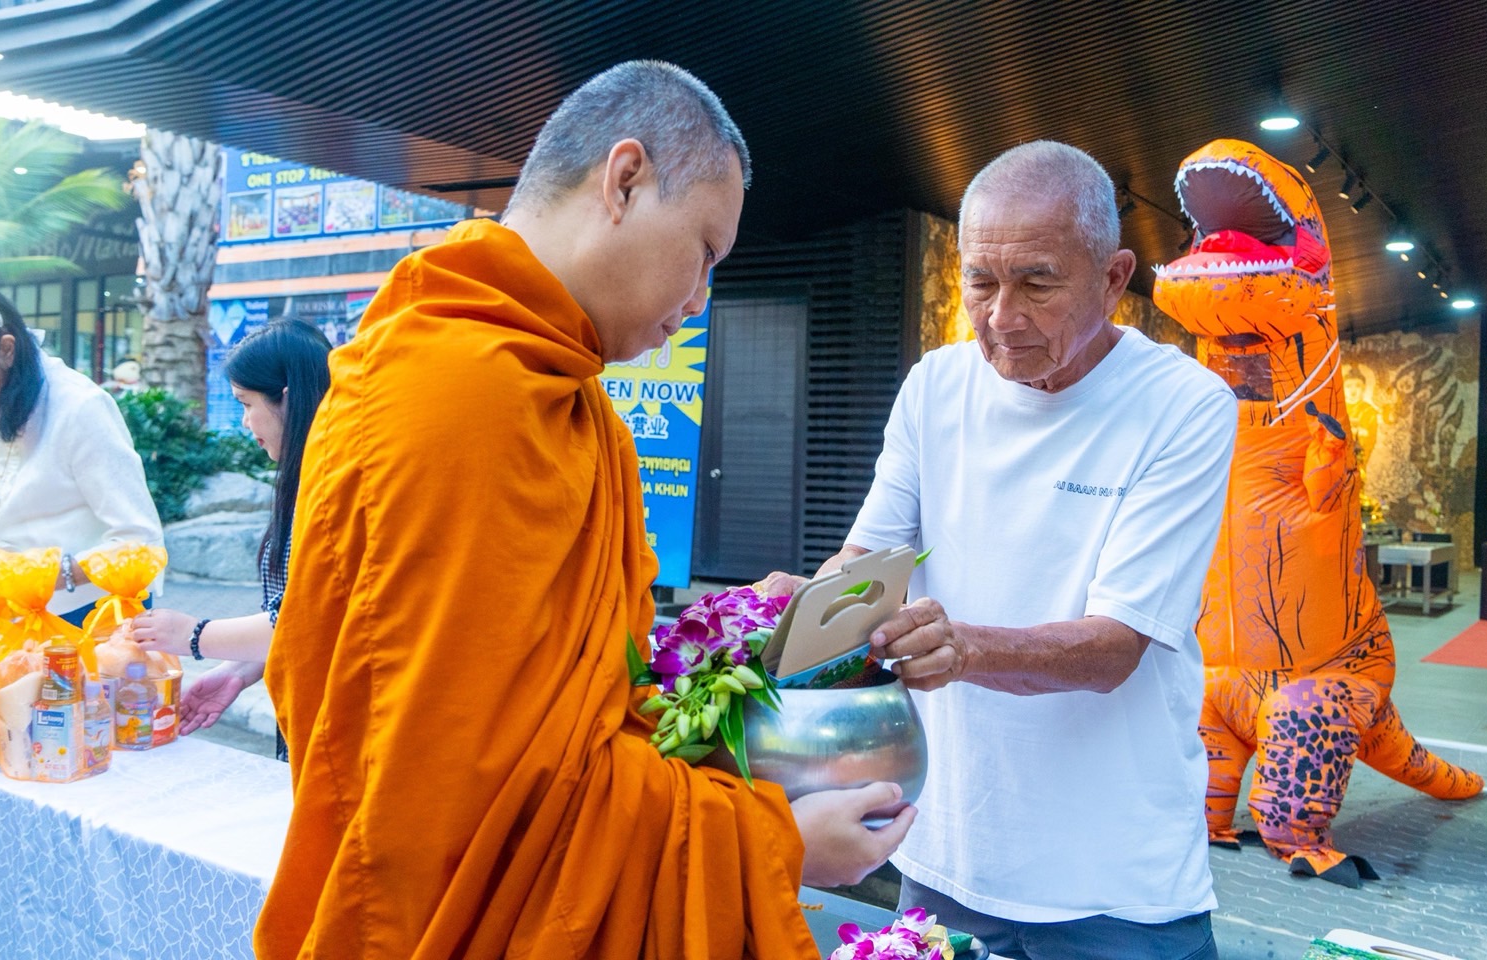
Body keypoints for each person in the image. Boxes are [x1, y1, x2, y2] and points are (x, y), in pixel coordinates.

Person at [256, 61, 912, 960]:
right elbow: (475, 803)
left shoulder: (573, 405)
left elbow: (581, 702)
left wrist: (738, 640)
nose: (699, 301)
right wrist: (775, 840)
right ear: (624, 180)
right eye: (705, 252)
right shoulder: (461, 397)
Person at [764, 142, 1237, 959]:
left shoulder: (1183, 405)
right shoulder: (935, 386)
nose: (1002, 316)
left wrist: (964, 647)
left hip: (1114, 883)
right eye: (980, 281)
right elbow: (869, 563)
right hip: (942, 851)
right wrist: (806, 606)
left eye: (1037, 283)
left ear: (1114, 278)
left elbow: (1115, 648)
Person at [127, 320, 331, 757]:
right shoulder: (306, 475)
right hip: (308, 713)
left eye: (246, 403)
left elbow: (307, 622)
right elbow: (292, 618)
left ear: (288, 398)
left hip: (334, 724)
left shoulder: (331, 486)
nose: (244, 422)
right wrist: (236, 672)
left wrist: (194, 634)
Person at [0, 275, 162, 634]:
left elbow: (141, 543)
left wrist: (45, 575)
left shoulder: (79, 408)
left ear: (6, 349)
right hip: (16, 616)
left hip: (94, 617)